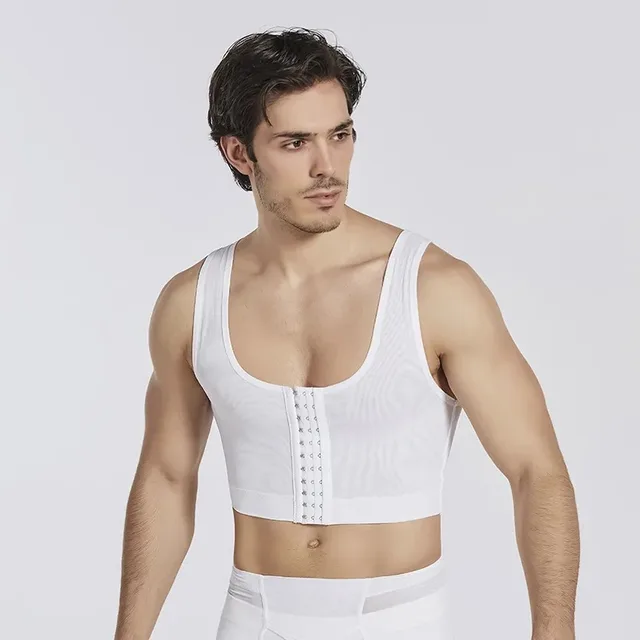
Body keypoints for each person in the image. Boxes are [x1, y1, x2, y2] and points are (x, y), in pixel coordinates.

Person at [114, 27, 580, 640]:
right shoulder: (191, 303)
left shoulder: (435, 288)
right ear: (239, 154)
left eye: (340, 134)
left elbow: (536, 470)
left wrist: (555, 632)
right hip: (254, 618)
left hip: (399, 619)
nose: (327, 167)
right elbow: (167, 478)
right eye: (295, 143)